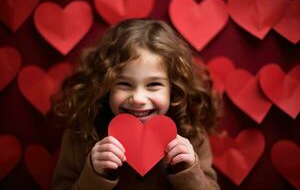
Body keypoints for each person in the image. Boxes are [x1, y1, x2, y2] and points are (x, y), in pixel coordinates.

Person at [51, 19, 222, 190]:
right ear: (104, 86)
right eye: (124, 84)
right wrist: (95, 174)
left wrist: (188, 171)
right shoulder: (80, 133)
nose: (138, 98)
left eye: (154, 85)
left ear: (174, 88)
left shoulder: (192, 133)